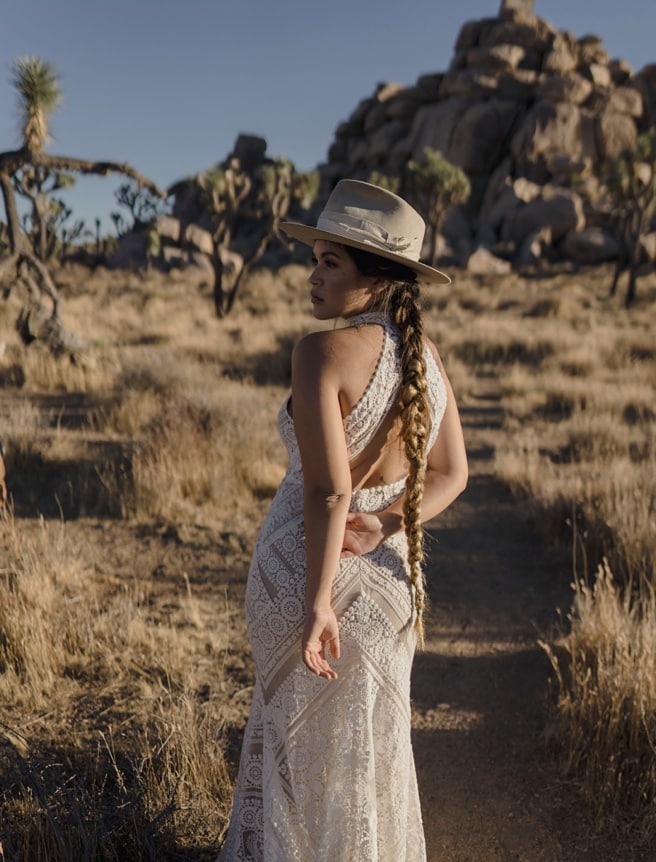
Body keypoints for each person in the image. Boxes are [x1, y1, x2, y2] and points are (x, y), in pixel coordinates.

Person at [217, 180, 468, 861]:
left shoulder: (318, 353)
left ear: (378, 277)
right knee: (367, 754)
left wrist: (317, 600)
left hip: (306, 577)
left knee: (297, 760)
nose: (313, 275)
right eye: (316, 258)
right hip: (389, 586)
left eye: (331, 262)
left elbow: (328, 494)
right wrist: (388, 523)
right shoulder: (427, 359)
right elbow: (452, 475)